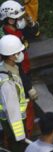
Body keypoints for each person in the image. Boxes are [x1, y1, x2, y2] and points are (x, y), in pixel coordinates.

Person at [0, 0, 40, 137]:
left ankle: (26, 130)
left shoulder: (15, 31)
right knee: (23, 103)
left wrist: (31, 23)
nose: (20, 20)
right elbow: (16, 68)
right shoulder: (7, 40)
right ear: (9, 20)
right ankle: (24, 133)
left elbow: (33, 34)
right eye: (18, 18)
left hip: (24, 69)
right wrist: (29, 87)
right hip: (18, 74)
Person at [0, 35, 29, 152]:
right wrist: (20, 136)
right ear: (10, 55)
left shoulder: (12, 68)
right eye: (17, 52)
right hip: (13, 125)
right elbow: (12, 112)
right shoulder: (6, 81)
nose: (19, 55)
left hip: (16, 122)